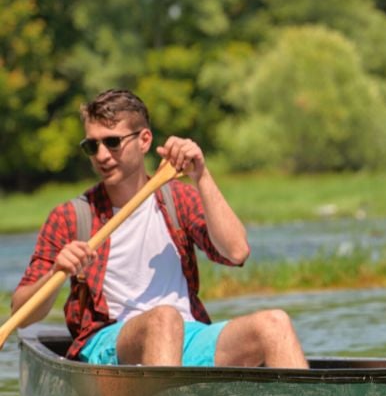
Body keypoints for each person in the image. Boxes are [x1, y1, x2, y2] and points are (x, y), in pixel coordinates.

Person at [11, 89, 308, 369]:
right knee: (164, 319)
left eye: (112, 142)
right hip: (108, 343)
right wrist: (56, 272)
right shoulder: (71, 216)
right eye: (92, 145)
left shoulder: (178, 199)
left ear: (144, 140)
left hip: (189, 334)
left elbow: (237, 251)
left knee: (275, 324)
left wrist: (201, 174)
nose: (101, 155)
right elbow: (22, 314)